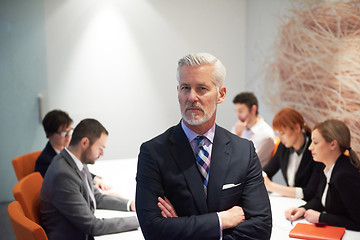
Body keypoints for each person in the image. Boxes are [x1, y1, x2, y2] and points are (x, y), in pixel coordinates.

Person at [135, 53, 272, 239]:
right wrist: (220, 221)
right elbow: (153, 230)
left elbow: (261, 229)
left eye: (201, 88)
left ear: (221, 94)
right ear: (178, 92)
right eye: (185, 88)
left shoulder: (244, 151)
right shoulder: (153, 152)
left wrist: (180, 227)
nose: (191, 97)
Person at [40, 119, 139, 240]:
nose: (102, 153)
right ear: (85, 142)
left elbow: (96, 197)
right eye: (100, 148)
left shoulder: (76, 161)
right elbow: (93, 226)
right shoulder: (63, 175)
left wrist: (131, 205)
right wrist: (139, 220)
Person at [285, 119, 360, 231]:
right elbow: (320, 199)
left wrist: (321, 218)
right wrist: (303, 209)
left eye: (315, 142)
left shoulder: (344, 175)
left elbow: (358, 222)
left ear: (333, 144)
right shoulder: (327, 167)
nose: (310, 147)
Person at [35, 109, 110, 190]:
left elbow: (79, 170)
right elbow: (69, 179)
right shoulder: (45, 161)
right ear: (49, 134)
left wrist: (94, 178)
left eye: (69, 131)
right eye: (63, 133)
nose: (68, 136)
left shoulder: (67, 150)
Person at [263, 108, 322, 201]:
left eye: (283, 133)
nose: (280, 138)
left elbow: (310, 192)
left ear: (297, 128)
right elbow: (267, 170)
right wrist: (262, 176)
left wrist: (271, 186)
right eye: (278, 133)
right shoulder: (283, 148)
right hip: (289, 202)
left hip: (308, 205)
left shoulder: (314, 150)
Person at [231, 92, 275, 166]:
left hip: (250, 175)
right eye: (236, 111)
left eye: (241, 111)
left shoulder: (265, 135)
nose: (238, 115)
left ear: (253, 109)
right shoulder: (240, 126)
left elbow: (245, 162)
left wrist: (238, 136)